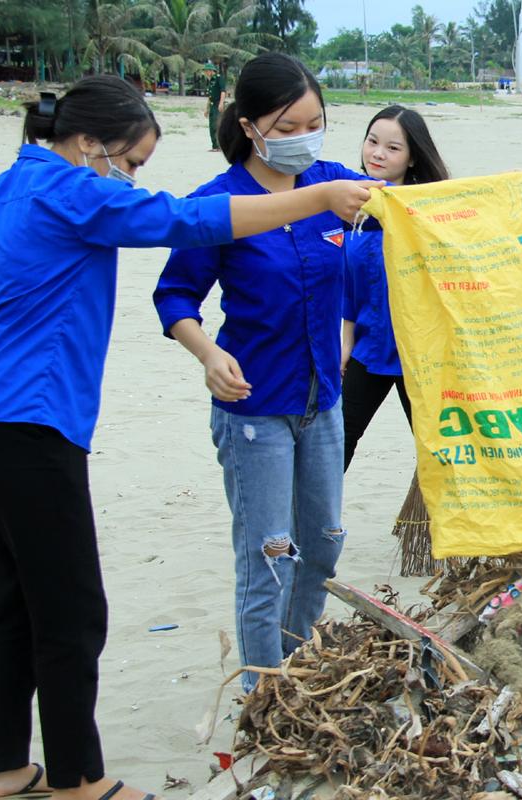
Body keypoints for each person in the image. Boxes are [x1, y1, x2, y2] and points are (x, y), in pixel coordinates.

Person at [0, 75, 371, 800]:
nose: (131, 178)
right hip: (34, 422)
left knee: (19, 603)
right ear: (89, 143)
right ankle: (79, 781)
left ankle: (0, 768)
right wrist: (313, 199)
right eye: (133, 162)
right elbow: (185, 223)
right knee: (71, 613)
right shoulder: (71, 189)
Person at [152, 53, 370, 692]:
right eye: (289, 123)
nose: (306, 133)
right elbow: (174, 297)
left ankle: (299, 663)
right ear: (249, 127)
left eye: (316, 120)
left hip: (322, 401)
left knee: (323, 544)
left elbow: (412, 216)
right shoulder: (217, 204)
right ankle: (261, 689)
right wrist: (207, 354)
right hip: (254, 410)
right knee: (269, 555)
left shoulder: (333, 185)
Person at [342, 105, 449, 469]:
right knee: (336, 440)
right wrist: (344, 338)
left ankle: (446, 526)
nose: (377, 153)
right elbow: (345, 286)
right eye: (372, 141)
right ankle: (310, 523)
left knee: (440, 452)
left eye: (392, 147)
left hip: (422, 354)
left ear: (413, 157)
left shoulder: (432, 211)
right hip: (366, 347)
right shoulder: (348, 204)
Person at [204, 62, 226, 152]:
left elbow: (223, 91)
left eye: (206, 71)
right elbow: (210, 97)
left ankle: (219, 146)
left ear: (211, 71)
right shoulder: (211, 81)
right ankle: (214, 146)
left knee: (216, 125)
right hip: (212, 105)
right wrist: (206, 108)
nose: (205, 73)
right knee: (211, 125)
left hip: (218, 104)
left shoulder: (219, 78)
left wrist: (221, 103)